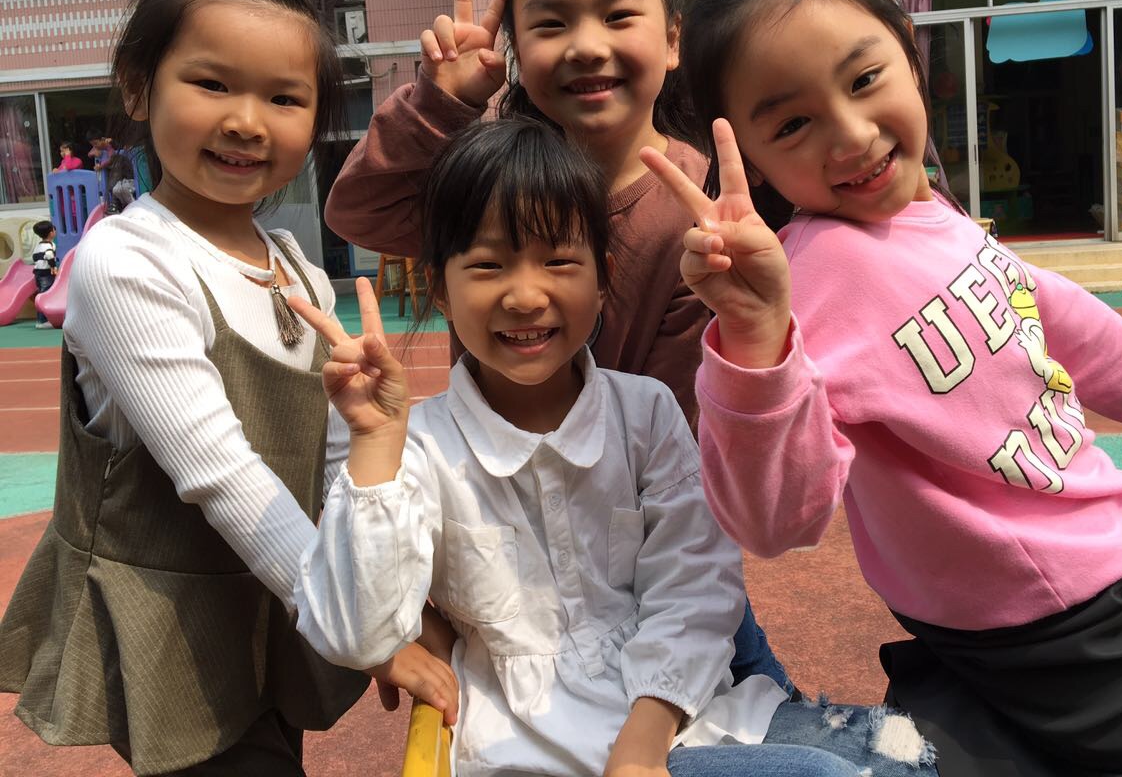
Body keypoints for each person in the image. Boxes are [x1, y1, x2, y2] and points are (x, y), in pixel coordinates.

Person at [640, 0, 1122, 777]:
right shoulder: (814, 276)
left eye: (864, 80)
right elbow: (774, 522)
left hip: (1109, 564)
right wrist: (758, 338)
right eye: (792, 124)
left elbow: (1056, 312)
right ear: (749, 158)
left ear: (910, 56)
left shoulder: (927, 212)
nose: (851, 135)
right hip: (1045, 626)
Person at [291, 118, 938, 777]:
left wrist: (645, 738)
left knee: (907, 758)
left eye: (558, 261)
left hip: (678, 718)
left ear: (602, 278)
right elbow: (354, 632)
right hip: (535, 748)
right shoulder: (419, 448)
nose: (525, 295)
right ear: (440, 290)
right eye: (487, 266)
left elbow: (694, 585)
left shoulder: (644, 413)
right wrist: (374, 441)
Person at [322, 0, 793, 696]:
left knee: (754, 701)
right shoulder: (484, 172)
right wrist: (442, 105)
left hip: (641, 551)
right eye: (549, 23)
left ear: (672, 38)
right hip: (505, 540)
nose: (586, 44)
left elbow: (676, 441)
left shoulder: (701, 215)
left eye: (618, 15)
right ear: (512, 50)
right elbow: (359, 212)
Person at [0, 0, 383, 776]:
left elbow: (332, 453)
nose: (247, 121)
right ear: (139, 87)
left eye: (284, 97)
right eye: (211, 84)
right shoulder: (128, 261)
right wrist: (365, 627)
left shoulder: (295, 265)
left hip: (274, 596)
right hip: (169, 619)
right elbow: (221, 472)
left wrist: (383, 579)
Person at [30, 219, 57, 329]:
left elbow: (34, 257)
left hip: (38, 273)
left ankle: (42, 319)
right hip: (46, 273)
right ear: (51, 233)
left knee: (41, 294)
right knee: (45, 295)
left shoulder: (38, 246)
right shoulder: (49, 246)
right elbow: (50, 256)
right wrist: (53, 268)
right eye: (54, 229)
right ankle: (42, 321)